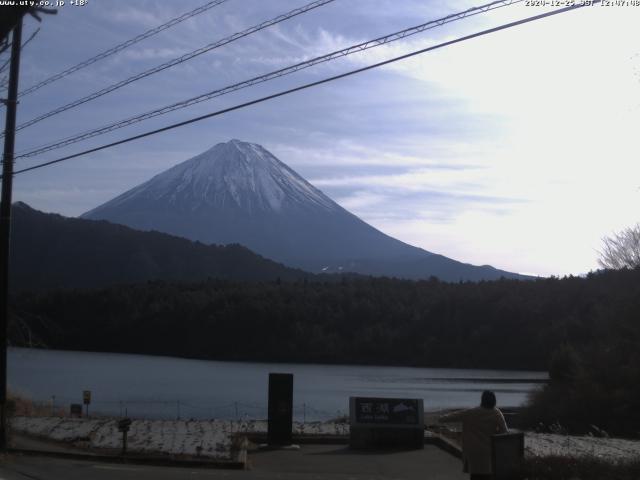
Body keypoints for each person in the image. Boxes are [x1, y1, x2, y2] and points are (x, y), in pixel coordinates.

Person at [439, 390, 508, 480]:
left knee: (475, 475)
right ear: (494, 400)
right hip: (488, 450)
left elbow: (450, 417)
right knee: (487, 475)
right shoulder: (496, 413)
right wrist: (494, 433)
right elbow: (504, 432)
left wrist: (440, 418)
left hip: (472, 450)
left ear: (482, 400)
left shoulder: (471, 412)